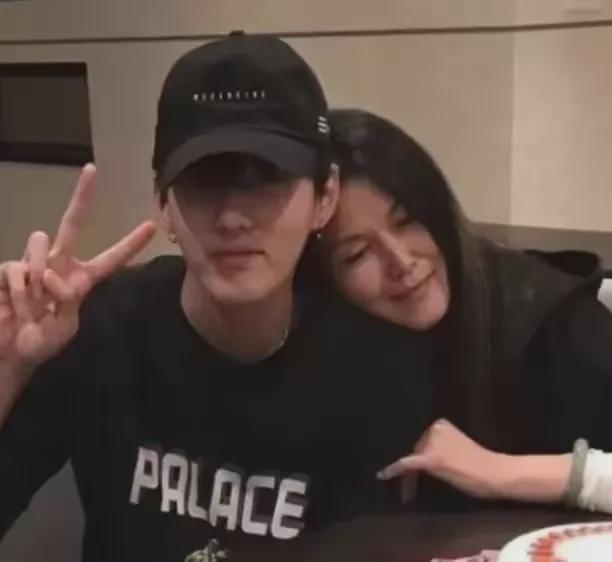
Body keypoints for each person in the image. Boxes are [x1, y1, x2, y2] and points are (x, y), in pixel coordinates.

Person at [0, 35, 430, 561]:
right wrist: (8, 369)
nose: (232, 218)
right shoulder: (93, 329)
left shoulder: (371, 367)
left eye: (265, 179)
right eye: (203, 182)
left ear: (325, 197)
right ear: (165, 205)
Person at [323, 108, 612, 515]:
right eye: (357, 253)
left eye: (408, 221)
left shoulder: (555, 322)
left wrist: (501, 472)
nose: (401, 261)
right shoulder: (329, 345)